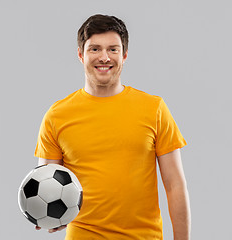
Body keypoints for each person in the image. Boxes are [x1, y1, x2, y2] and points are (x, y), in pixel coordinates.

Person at [34, 14, 191, 240]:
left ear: (124, 55)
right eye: (95, 49)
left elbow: (175, 185)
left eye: (113, 49)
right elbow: (47, 183)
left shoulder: (154, 109)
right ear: (81, 54)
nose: (104, 57)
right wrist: (48, 213)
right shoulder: (57, 116)